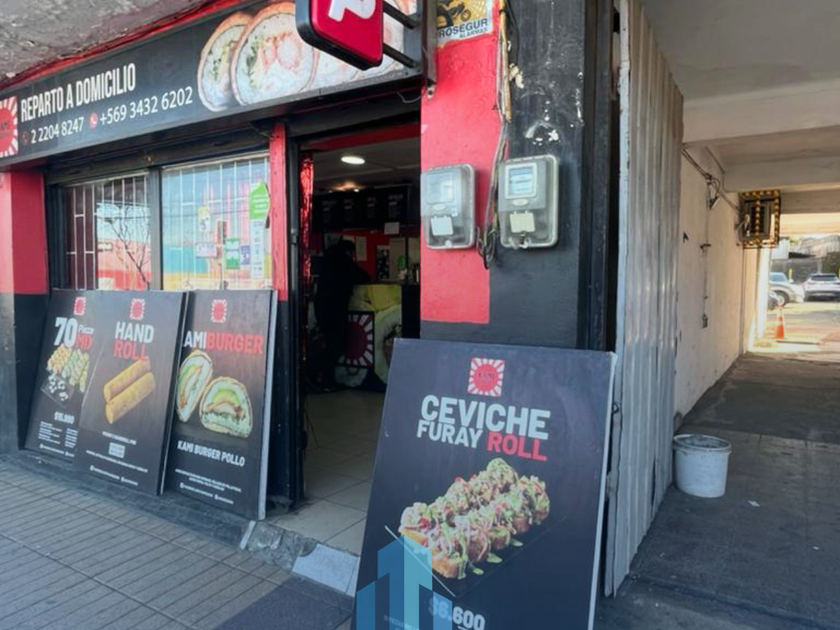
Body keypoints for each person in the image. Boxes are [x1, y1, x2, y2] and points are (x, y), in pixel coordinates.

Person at [314, 240, 370, 390]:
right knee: (337, 345)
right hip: (334, 309)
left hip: (323, 307)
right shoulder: (345, 262)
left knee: (332, 344)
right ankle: (318, 374)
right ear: (348, 251)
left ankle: (320, 376)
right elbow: (364, 277)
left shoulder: (328, 261)